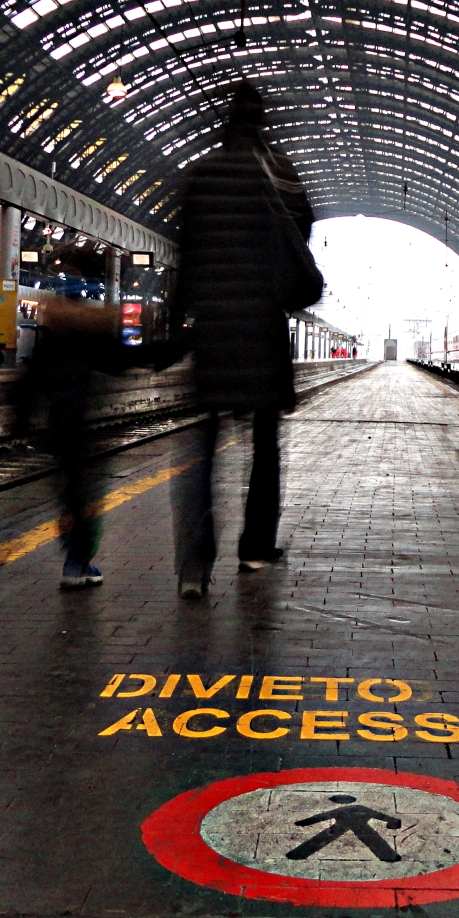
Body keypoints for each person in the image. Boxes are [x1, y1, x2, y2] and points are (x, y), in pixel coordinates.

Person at [169, 82, 315, 600]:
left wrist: (173, 325)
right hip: (262, 329)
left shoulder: (202, 174)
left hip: (213, 329)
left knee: (201, 448)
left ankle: (194, 563)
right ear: (264, 122)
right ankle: (255, 547)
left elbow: (184, 257)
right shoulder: (280, 175)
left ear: (222, 123)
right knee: (265, 445)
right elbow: (302, 245)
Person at [11, 247, 178, 587]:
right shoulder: (94, 329)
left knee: (70, 496)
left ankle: (75, 561)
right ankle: (78, 562)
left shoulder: (54, 328)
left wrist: (21, 422)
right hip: (81, 427)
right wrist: (173, 350)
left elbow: (30, 380)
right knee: (85, 496)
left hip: (56, 425)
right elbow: (123, 360)